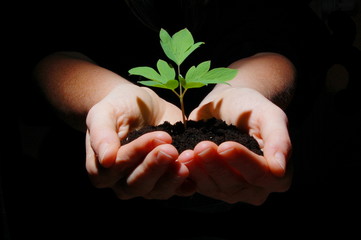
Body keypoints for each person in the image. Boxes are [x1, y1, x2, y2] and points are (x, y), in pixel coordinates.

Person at [8, 0, 335, 238]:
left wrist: (246, 89)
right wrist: (105, 96)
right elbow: (42, 44)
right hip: (87, 213)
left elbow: (280, 36)